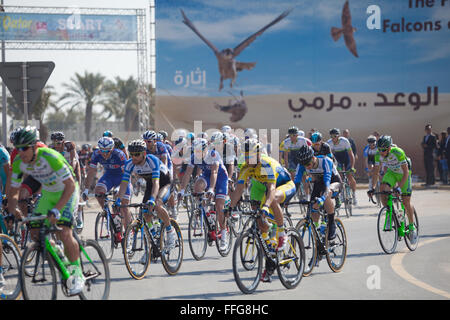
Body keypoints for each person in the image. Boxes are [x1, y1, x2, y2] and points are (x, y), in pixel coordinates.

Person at [7, 126, 84, 295]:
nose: (21, 152)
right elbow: (13, 192)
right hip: (49, 193)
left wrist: (57, 210)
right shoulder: (19, 162)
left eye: (25, 148)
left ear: (35, 146)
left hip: (68, 191)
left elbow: (70, 185)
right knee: (35, 232)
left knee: (64, 232)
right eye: (17, 149)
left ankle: (78, 273)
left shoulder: (50, 157)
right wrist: (13, 210)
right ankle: (61, 256)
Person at [227, 139, 296, 282]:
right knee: (258, 218)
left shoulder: (265, 164)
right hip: (265, 188)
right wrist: (230, 207)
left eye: (250, 156)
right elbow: (239, 189)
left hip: (285, 185)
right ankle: (269, 254)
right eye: (246, 156)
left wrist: (265, 206)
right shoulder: (246, 167)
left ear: (258, 154)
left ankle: (282, 233)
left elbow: (271, 189)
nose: (248, 159)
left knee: (273, 200)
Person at [116, 140, 177, 247]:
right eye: (131, 154)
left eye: (137, 154)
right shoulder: (129, 164)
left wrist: (152, 199)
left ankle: (170, 231)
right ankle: (153, 239)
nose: (133, 157)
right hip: (151, 184)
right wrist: (118, 200)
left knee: (157, 204)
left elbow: (156, 183)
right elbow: (124, 184)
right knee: (145, 211)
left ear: (144, 153)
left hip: (165, 183)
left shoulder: (152, 160)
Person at [178, 138, 230, 251]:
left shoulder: (213, 154)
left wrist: (211, 188)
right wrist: (181, 190)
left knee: (219, 206)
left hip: (220, 177)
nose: (197, 153)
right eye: (195, 151)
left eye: (200, 151)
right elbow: (187, 174)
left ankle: (224, 236)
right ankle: (205, 211)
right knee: (197, 186)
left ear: (206, 148)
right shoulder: (193, 158)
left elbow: (215, 172)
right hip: (206, 176)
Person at [368, 135, 418, 244]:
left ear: (389, 148)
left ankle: (411, 227)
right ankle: (390, 214)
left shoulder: (398, 152)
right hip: (392, 173)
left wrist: (399, 187)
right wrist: (372, 188)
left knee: (405, 201)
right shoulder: (378, 155)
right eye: (379, 149)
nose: (381, 152)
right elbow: (376, 172)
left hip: (404, 174)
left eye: (384, 150)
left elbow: (405, 173)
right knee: (383, 189)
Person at [83, 136, 131, 240]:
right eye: (102, 151)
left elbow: (126, 174)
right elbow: (91, 172)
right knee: (98, 191)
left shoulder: (119, 155)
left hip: (122, 177)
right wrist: (86, 190)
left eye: (107, 151)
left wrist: (120, 189)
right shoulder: (96, 154)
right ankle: (109, 215)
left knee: (123, 205)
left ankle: (128, 233)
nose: (104, 154)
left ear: (112, 149)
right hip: (109, 176)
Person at [294, 145, 341, 243]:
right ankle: (319, 232)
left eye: (309, 163)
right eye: (304, 165)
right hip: (319, 183)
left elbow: (327, 183)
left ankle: (331, 223)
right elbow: (297, 182)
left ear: (313, 157)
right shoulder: (302, 164)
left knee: (326, 195)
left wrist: (322, 199)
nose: (307, 166)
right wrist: (288, 198)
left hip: (333, 182)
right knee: (313, 208)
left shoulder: (325, 161)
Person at [327, 128, 357, 205]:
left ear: (338, 136)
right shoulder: (329, 143)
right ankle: (341, 193)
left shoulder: (344, 141)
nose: (333, 138)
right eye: (332, 136)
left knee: (349, 175)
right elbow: (329, 158)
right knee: (339, 176)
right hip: (338, 159)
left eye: (335, 136)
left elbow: (351, 154)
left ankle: (354, 194)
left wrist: (352, 166)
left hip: (346, 158)